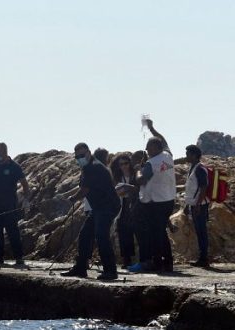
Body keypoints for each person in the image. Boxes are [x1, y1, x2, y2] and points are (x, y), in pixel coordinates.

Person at [61, 143, 120, 280]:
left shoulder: (93, 167)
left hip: (108, 206)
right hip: (98, 207)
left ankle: (111, 271)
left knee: (101, 235)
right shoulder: (87, 167)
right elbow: (84, 187)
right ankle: (81, 268)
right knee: (85, 234)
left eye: (81, 155)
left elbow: (84, 190)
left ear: (88, 153)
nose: (79, 159)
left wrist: (73, 198)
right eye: (77, 157)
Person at [129, 119, 176, 273]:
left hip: (155, 202)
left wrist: (137, 169)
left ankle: (158, 262)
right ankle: (167, 262)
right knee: (161, 231)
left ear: (155, 147)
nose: (147, 150)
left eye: (149, 147)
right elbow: (163, 139)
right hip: (168, 199)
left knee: (156, 233)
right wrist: (152, 128)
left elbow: (141, 180)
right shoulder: (168, 156)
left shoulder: (152, 163)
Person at [0, 142, 31, 266]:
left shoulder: (14, 166)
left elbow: (24, 183)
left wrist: (26, 199)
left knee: (12, 230)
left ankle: (19, 257)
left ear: (3, 151)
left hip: (9, 204)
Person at [110, 153, 139, 269]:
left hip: (136, 205)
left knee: (136, 231)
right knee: (123, 232)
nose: (124, 166)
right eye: (121, 164)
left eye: (126, 163)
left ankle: (142, 260)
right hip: (123, 205)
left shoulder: (135, 175)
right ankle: (127, 260)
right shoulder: (118, 177)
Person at [184, 145, 211, 268]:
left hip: (200, 205)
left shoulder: (200, 169)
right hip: (194, 204)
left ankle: (204, 258)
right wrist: (187, 205)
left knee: (201, 231)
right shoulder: (193, 168)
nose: (186, 156)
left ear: (194, 155)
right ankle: (202, 258)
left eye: (188, 154)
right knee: (199, 231)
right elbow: (192, 189)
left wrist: (198, 205)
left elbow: (203, 187)